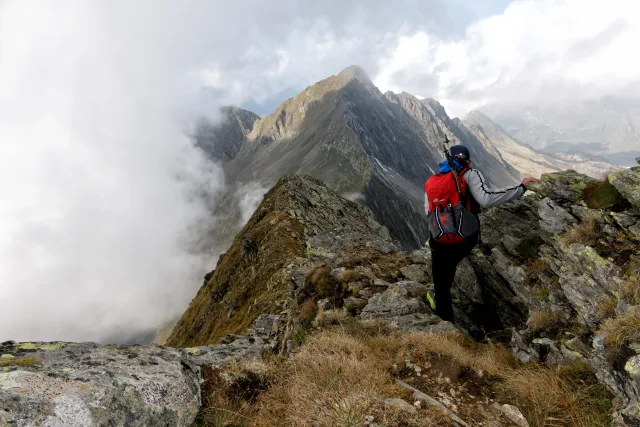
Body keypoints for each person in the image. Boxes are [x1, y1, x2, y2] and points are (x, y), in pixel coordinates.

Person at [424, 144, 538, 322]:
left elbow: (428, 211)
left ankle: (444, 319)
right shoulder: (470, 174)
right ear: (468, 161)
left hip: (439, 239)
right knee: (454, 261)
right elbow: (486, 199)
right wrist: (521, 188)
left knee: (441, 280)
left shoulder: (433, 180)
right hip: (466, 239)